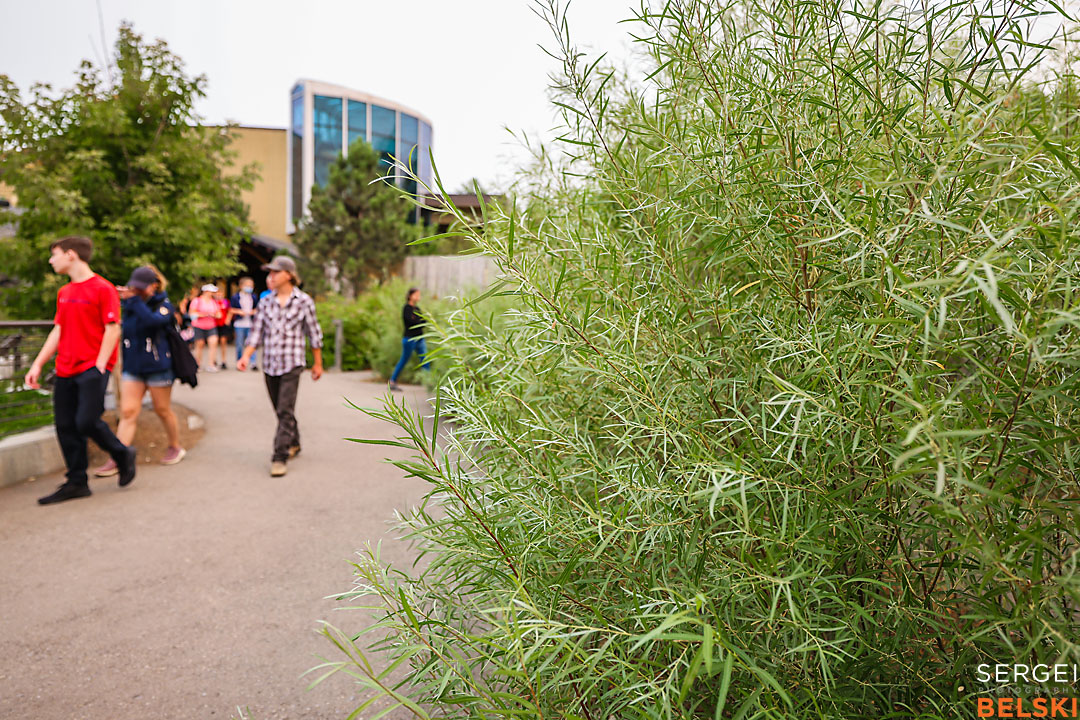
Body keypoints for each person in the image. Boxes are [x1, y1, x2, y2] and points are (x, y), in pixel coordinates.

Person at [24, 236, 137, 504]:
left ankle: (121, 453)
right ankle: (77, 482)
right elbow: (59, 329)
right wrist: (38, 363)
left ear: (71, 255)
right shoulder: (64, 292)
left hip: (91, 367)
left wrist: (100, 364)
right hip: (65, 367)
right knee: (64, 425)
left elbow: (113, 327)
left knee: (85, 421)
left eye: (55, 254)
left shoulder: (102, 288)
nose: (52, 260)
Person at [94, 265, 185, 478]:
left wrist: (133, 301)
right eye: (135, 287)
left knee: (162, 410)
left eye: (142, 288)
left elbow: (153, 322)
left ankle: (175, 445)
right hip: (134, 368)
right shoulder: (131, 305)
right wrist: (125, 301)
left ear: (154, 286)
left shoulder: (164, 305)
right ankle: (119, 456)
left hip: (159, 368)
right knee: (128, 412)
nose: (138, 291)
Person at [237, 256, 323, 477]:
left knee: (284, 410)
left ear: (289, 275)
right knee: (281, 409)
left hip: (292, 363)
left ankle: (280, 456)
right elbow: (256, 333)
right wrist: (246, 356)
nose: (270, 277)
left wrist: (318, 364)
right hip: (271, 364)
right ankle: (294, 441)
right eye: (270, 272)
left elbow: (313, 334)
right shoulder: (265, 302)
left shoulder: (304, 301)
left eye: (275, 272)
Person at [388, 287, 432, 392]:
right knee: (404, 360)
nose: (418, 297)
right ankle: (392, 381)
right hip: (409, 339)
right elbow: (411, 323)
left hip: (420, 339)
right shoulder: (406, 308)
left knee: (425, 360)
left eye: (419, 295)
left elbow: (423, 322)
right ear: (410, 296)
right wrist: (418, 322)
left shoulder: (417, 309)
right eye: (416, 294)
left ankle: (430, 382)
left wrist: (418, 321)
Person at [189, 284, 222, 372]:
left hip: (211, 326)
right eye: (212, 292)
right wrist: (204, 314)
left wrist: (215, 315)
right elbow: (192, 313)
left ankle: (211, 364)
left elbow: (219, 314)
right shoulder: (197, 301)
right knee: (200, 344)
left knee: (213, 342)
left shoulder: (213, 302)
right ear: (206, 291)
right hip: (199, 326)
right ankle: (197, 364)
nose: (213, 293)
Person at [230, 277, 258, 370]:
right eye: (247, 285)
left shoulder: (253, 297)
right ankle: (240, 361)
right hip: (239, 324)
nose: (249, 287)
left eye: (251, 286)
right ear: (241, 286)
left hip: (250, 324)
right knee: (239, 344)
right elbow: (231, 309)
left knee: (252, 343)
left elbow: (257, 309)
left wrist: (252, 312)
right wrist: (239, 312)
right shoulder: (235, 297)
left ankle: (253, 363)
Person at [214, 286, 231, 369]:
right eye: (217, 294)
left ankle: (223, 361)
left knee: (223, 342)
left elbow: (229, 311)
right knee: (214, 342)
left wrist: (228, 319)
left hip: (223, 324)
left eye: (220, 294)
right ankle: (214, 359)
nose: (219, 296)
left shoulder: (226, 302)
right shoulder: (213, 302)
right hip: (214, 324)